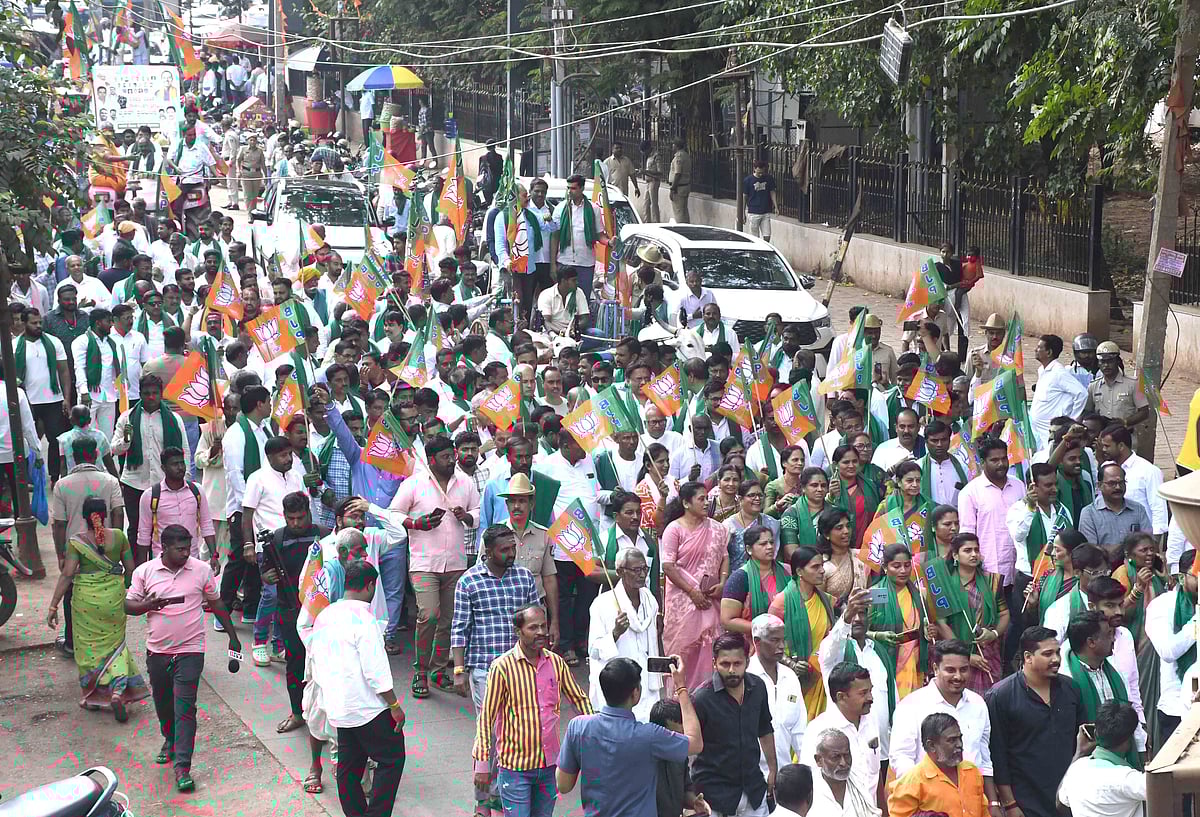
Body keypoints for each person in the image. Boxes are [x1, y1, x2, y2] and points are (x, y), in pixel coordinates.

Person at [126, 524, 241, 792]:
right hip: (158, 651)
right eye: (179, 549)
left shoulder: (200, 570)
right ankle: (169, 739)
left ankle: (182, 767)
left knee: (185, 708)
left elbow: (216, 603)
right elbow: (128, 605)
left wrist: (232, 636)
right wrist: (148, 605)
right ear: (163, 548)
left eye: (188, 548)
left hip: (191, 649)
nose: (185, 553)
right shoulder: (145, 572)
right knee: (163, 703)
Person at [451, 523, 540, 817]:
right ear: (488, 552)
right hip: (485, 671)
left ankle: (502, 797)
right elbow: (459, 629)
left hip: (521, 669)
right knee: (488, 734)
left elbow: (536, 622)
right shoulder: (469, 582)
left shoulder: (524, 578)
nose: (511, 554)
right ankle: (482, 801)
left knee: (515, 735)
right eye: (505, 550)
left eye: (513, 548)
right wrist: (460, 669)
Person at [308, 559, 409, 817]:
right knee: (392, 757)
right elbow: (376, 671)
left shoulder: (324, 616)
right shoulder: (365, 619)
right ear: (370, 586)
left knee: (349, 769)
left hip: (339, 707)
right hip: (368, 709)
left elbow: (315, 660)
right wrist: (395, 705)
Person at [472, 604, 592, 817]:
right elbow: (486, 717)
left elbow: (579, 700)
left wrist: (596, 734)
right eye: (533, 627)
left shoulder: (556, 663)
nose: (541, 633)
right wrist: (482, 763)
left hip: (550, 767)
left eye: (543, 626)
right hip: (514, 769)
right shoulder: (502, 667)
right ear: (518, 632)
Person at [388, 433, 480, 697]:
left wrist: (467, 517)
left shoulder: (465, 482)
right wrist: (416, 524)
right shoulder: (415, 483)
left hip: (456, 562)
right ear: (431, 460)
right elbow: (394, 514)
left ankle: (438, 671)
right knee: (428, 615)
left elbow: (477, 513)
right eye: (446, 457)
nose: (452, 460)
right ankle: (420, 671)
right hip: (424, 563)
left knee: (449, 621)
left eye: (452, 455)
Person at [556, 655, 700, 817]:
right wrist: (681, 687)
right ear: (636, 693)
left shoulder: (578, 727)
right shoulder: (649, 736)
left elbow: (563, 785)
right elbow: (695, 742)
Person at [45, 495, 147, 721]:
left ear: (84, 517)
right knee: (116, 646)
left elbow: (68, 574)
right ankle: (118, 691)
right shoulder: (119, 537)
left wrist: (53, 605)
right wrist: (128, 590)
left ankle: (93, 696)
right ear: (105, 515)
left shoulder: (76, 542)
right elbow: (130, 568)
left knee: (88, 649)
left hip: (86, 603)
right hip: (113, 598)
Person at [985, 626, 1085, 817]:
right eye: (1047, 654)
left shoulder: (1071, 689)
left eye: (1057, 652)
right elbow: (998, 754)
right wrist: (1010, 804)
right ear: (1028, 657)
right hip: (1026, 803)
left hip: (1068, 799)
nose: (1056, 659)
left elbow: (1082, 742)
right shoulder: (1001, 696)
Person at [888, 639, 995, 796]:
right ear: (935, 668)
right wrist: (923, 794)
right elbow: (901, 758)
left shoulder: (978, 703)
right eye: (950, 670)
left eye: (964, 669)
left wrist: (992, 802)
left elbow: (984, 758)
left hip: (973, 799)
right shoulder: (911, 706)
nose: (958, 676)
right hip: (929, 799)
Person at [691, 632, 776, 817]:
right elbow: (689, 745)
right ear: (714, 663)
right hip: (713, 794)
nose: (731, 670)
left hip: (753, 789)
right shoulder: (701, 698)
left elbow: (765, 728)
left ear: (747, 661)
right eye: (724, 664)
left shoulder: (757, 687)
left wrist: (773, 769)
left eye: (737, 664)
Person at [259, 491, 322, 738]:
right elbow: (264, 571)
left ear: (308, 512)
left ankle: (325, 714)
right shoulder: (277, 539)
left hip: (319, 612)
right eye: (291, 518)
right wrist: (267, 576)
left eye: (300, 517)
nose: (295, 523)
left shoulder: (323, 535)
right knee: (295, 662)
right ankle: (298, 712)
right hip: (289, 611)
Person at [112, 374, 190, 564]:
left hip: (163, 484)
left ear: (161, 394)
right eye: (147, 393)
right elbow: (113, 449)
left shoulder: (174, 419)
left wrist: (185, 480)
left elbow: (184, 450)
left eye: (155, 393)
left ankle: (161, 567)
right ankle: (136, 571)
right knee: (136, 529)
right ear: (140, 394)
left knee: (163, 529)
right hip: (134, 482)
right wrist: (127, 440)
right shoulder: (127, 418)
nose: (151, 397)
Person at [661, 481, 729, 691]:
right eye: (701, 498)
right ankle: (679, 700)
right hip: (683, 603)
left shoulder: (718, 528)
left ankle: (708, 698)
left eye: (707, 498)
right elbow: (668, 566)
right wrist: (693, 592)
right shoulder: (674, 529)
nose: (706, 502)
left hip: (711, 598)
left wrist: (723, 583)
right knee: (682, 653)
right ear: (686, 503)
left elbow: (725, 557)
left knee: (711, 648)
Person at [587, 547, 661, 720]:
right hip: (618, 687)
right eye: (636, 570)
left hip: (646, 683)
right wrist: (615, 633)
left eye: (645, 569)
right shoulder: (601, 604)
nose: (642, 575)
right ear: (620, 572)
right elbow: (594, 651)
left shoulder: (650, 599)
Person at [928, 534, 1007, 693]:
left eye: (976, 550)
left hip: (987, 653)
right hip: (954, 654)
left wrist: (993, 634)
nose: (973, 554)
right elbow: (941, 624)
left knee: (990, 699)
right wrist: (965, 656)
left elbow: (1004, 613)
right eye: (967, 550)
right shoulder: (944, 584)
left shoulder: (992, 581)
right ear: (956, 555)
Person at [800, 661, 883, 810]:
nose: (871, 698)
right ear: (841, 697)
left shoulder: (871, 720)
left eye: (871, 691)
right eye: (863, 693)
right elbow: (808, 785)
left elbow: (876, 774)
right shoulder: (818, 730)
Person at [868, 544, 931, 715]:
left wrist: (927, 631)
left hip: (915, 661)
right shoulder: (876, 594)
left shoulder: (919, 594)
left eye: (907, 565)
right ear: (885, 567)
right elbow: (856, 631)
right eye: (896, 566)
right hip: (886, 661)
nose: (903, 570)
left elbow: (925, 625)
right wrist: (877, 635)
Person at [887, 712, 990, 817]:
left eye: (960, 738)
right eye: (951, 740)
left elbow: (983, 811)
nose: (959, 744)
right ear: (931, 745)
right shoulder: (911, 782)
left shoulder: (972, 771)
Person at [1144, 549, 1198, 743]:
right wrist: (1198, 620)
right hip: (1175, 708)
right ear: (1182, 578)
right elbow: (1168, 651)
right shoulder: (1162, 606)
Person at [746, 613, 808, 784]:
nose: (781, 646)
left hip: (785, 776)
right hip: (753, 776)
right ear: (757, 642)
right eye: (774, 640)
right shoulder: (745, 677)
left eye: (783, 640)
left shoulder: (790, 677)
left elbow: (799, 730)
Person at [1057, 701, 1145, 817]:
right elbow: (1163, 787)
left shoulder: (1076, 770)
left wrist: (1080, 753)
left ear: (1095, 733)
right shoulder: (1129, 779)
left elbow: (1060, 803)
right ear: (1128, 740)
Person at [16, 307, 71, 481]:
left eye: (40, 322)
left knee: (55, 440)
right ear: (24, 323)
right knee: (27, 440)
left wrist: (67, 399)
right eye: (34, 323)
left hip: (53, 399)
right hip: (27, 400)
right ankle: (29, 477)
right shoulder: (14, 346)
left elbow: (64, 371)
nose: (38, 326)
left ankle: (55, 476)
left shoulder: (54, 342)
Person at [1096, 424, 1168, 535]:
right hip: (1110, 535)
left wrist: (1154, 541)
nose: (1103, 450)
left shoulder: (1148, 471)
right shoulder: (1105, 467)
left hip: (1140, 538)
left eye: (1107, 446)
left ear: (1121, 446)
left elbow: (1159, 509)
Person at [549, 174, 606, 301]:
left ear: (581, 188)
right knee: (563, 299)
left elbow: (599, 235)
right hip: (564, 261)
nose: (570, 191)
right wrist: (553, 265)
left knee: (582, 299)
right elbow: (555, 237)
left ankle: (579, 321)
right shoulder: (560, 208)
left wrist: (609, 242)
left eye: (573, 188)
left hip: (585, 262)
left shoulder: (594, 209)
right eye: (568, 188)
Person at [1077, 462, 1152, 547]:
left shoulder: (1138, 509)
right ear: (1099, 485)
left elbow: (1147, 543)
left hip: (1134, 560)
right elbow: (1091, 550)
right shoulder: (1089, 513)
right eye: (1112, 483)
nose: (1118, 487)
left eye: (1121, 482)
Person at [827, 444, 882, 555]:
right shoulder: (828, 485)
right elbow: (823, 515)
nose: (851, 465)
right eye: (846, 462)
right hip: (839, 549)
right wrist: (831, 496)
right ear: (835, 465)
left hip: (870, 546)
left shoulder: (869, 485)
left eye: (854, 461)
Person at [743, 161, 776, 242]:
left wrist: (776, 205)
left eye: (762, 172)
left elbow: (772, 192)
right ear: (754, 169)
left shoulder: (768, 178)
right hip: (753, 212)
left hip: (765, 211)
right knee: (755, 237)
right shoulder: (748, 180)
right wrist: (743, 212)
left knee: (767, 235)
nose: (761, 174)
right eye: (759, 172)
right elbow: (744, 196)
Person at [668, 139, 691, 224]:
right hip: (685, 186)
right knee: (684, 211)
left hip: (679, 188)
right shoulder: (686, 155)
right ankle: (687, 228)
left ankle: (681, 230)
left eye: (673, 145)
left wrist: (672, 188)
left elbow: (678, 173)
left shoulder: (679, 157)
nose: (672, 146)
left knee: (679, 212)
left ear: (676, 146)